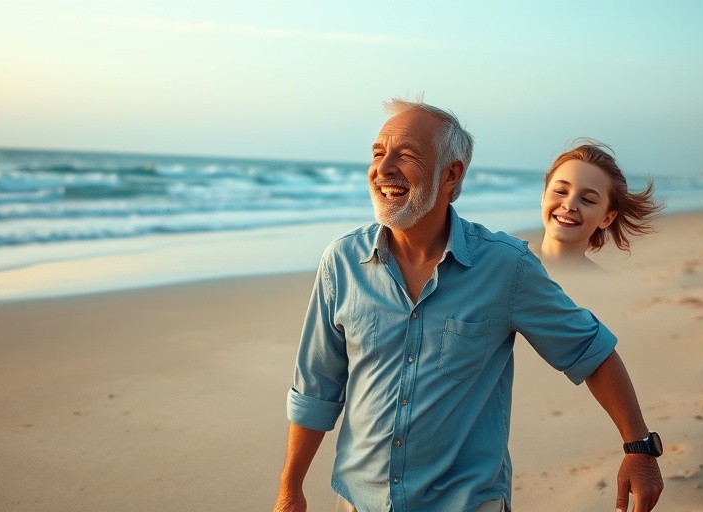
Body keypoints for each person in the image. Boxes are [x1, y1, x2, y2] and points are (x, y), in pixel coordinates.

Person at [273, 99, 663, 512]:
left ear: (451, 174)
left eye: (405, 156)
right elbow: (316, 388)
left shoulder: (505, 266)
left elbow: (590, 351)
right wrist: (289, 489)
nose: (383, 169)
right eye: (377, 153)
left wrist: (638, 447)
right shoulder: (341, 262)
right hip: (358, 503)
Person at [540, 141, 663, 271]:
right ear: (543, 196)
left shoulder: (606, 286)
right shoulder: (516, 261)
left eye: (587, 199)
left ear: (607, 218)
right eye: (561, 191)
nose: (569, 205)